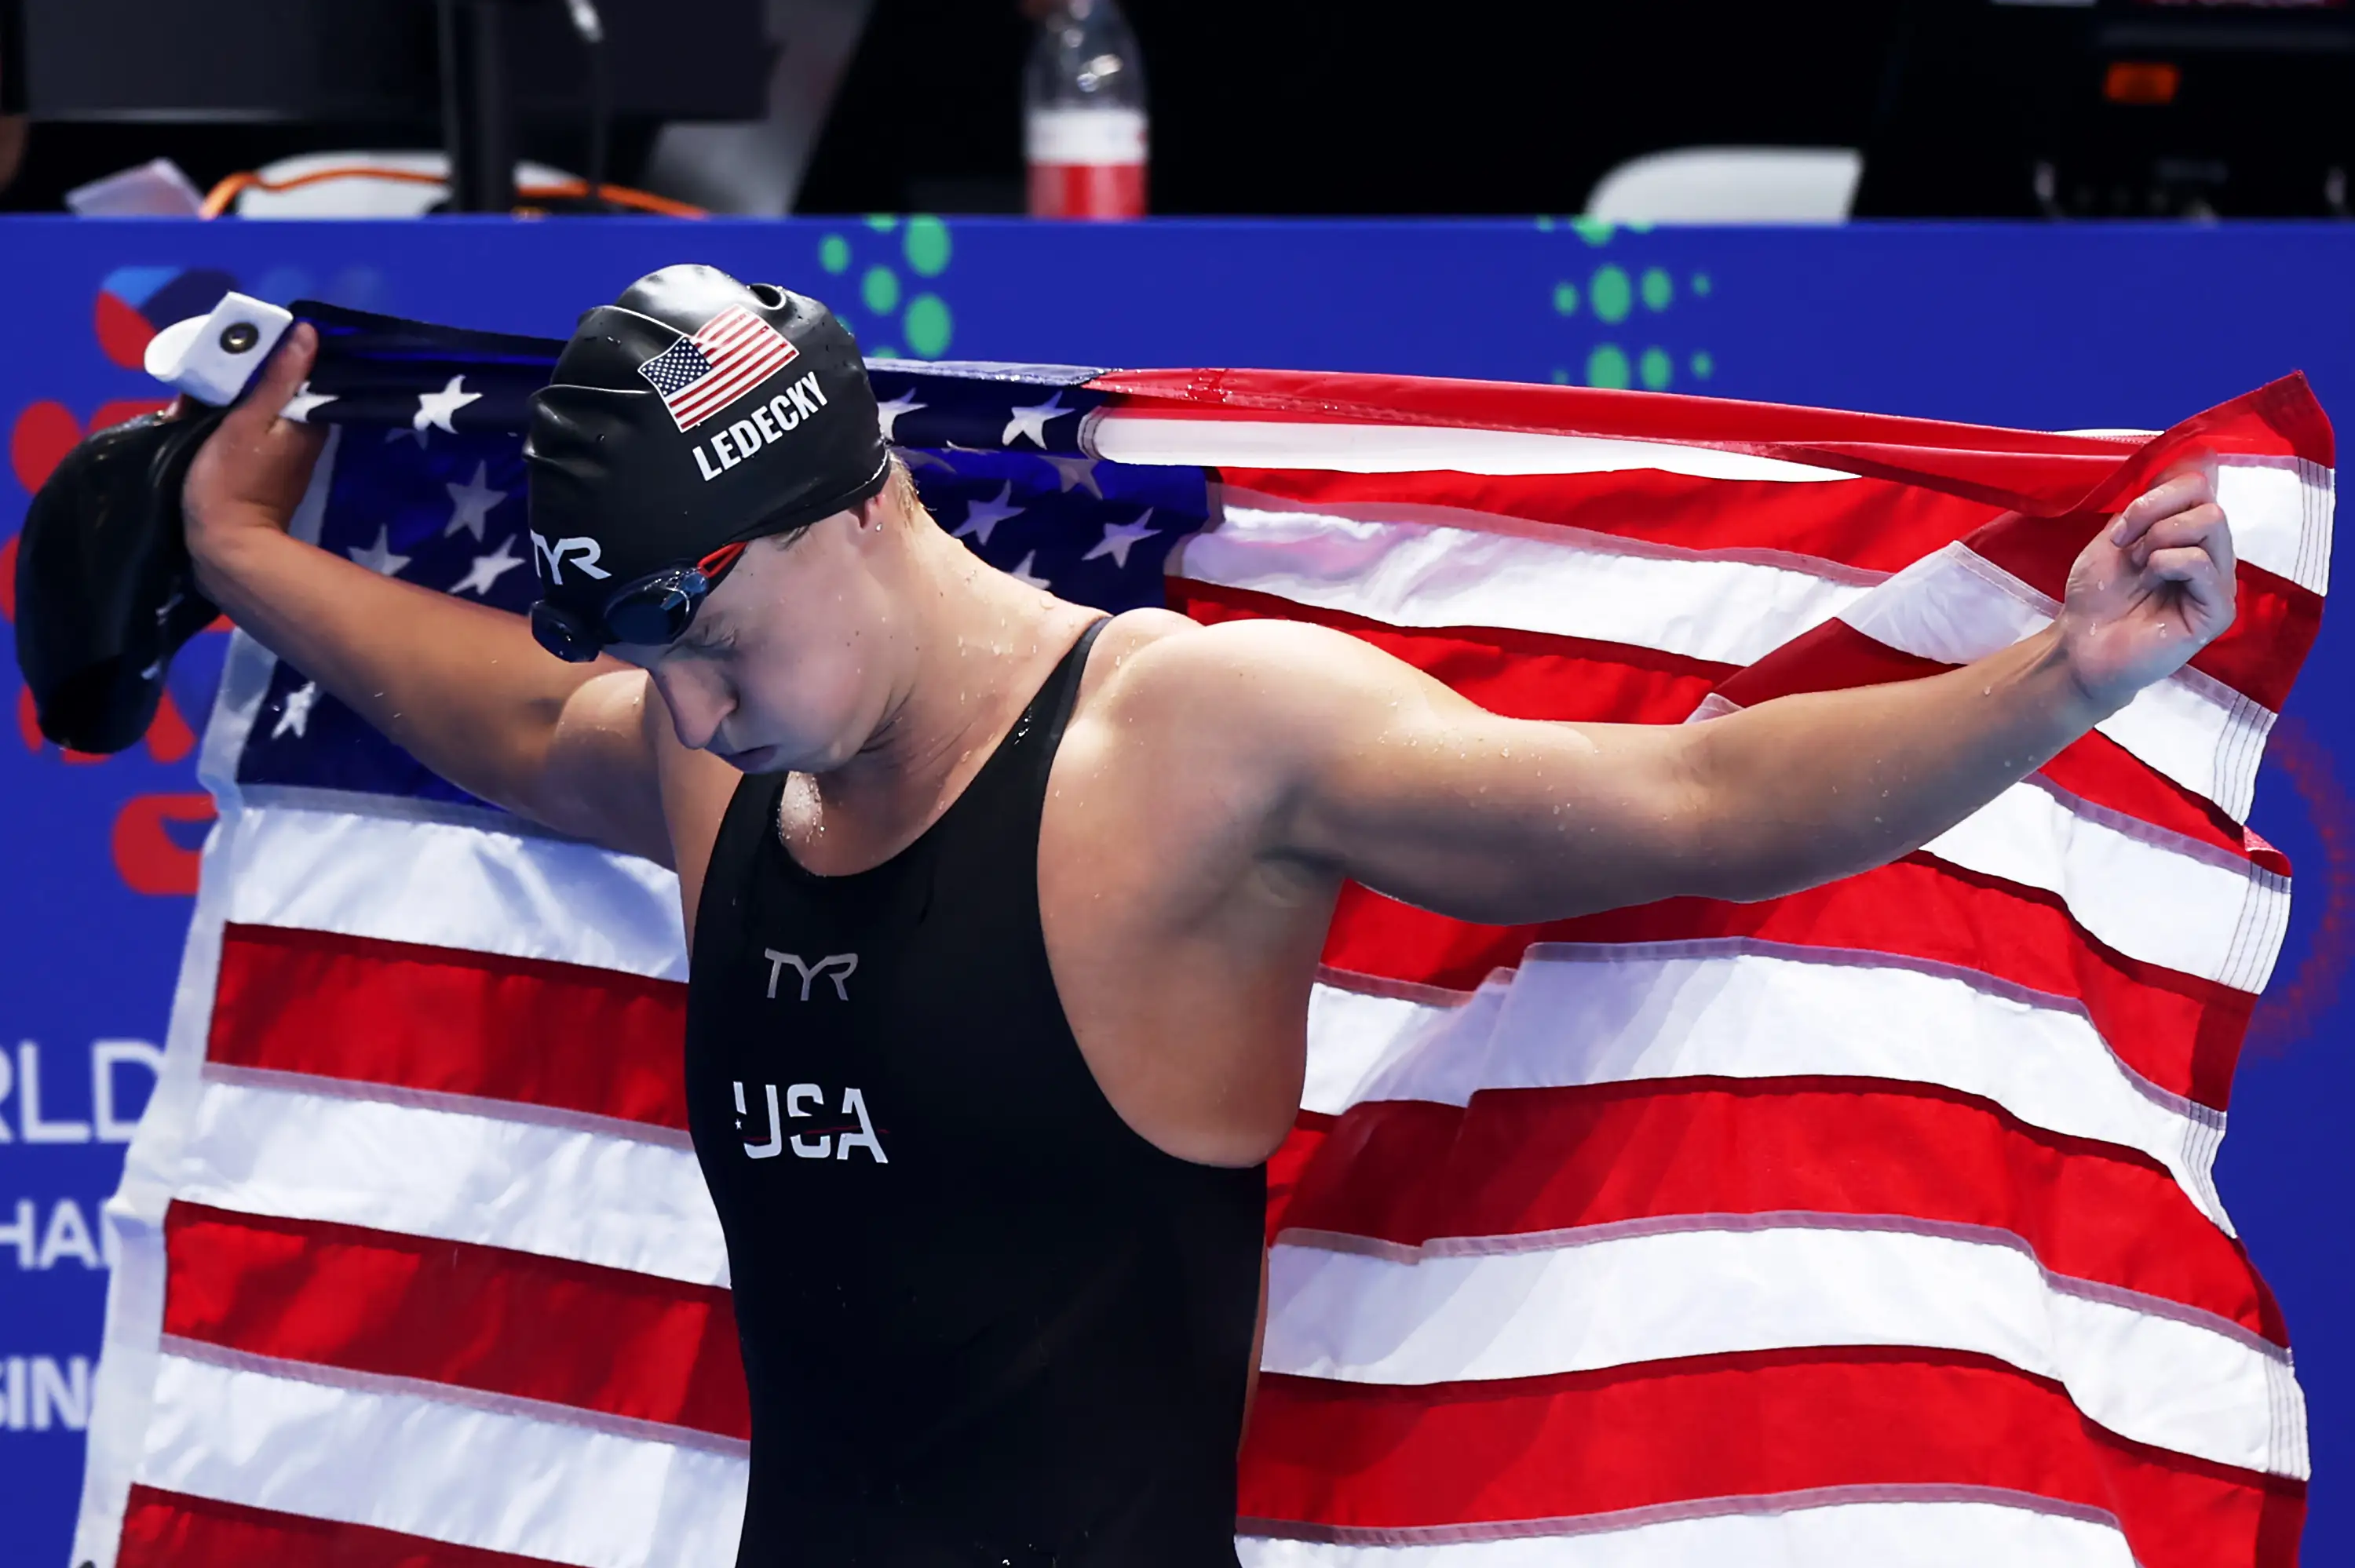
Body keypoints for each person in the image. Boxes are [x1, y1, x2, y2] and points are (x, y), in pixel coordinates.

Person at [181, 265, 2236, 1566]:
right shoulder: (724, 756)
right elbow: (535, 717)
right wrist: (238, 549)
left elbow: (1683, 800)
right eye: (663, 659)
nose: (692, 714)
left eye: (708, 637)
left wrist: (2058, 684)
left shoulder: (1192, 746)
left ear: (869, 497)